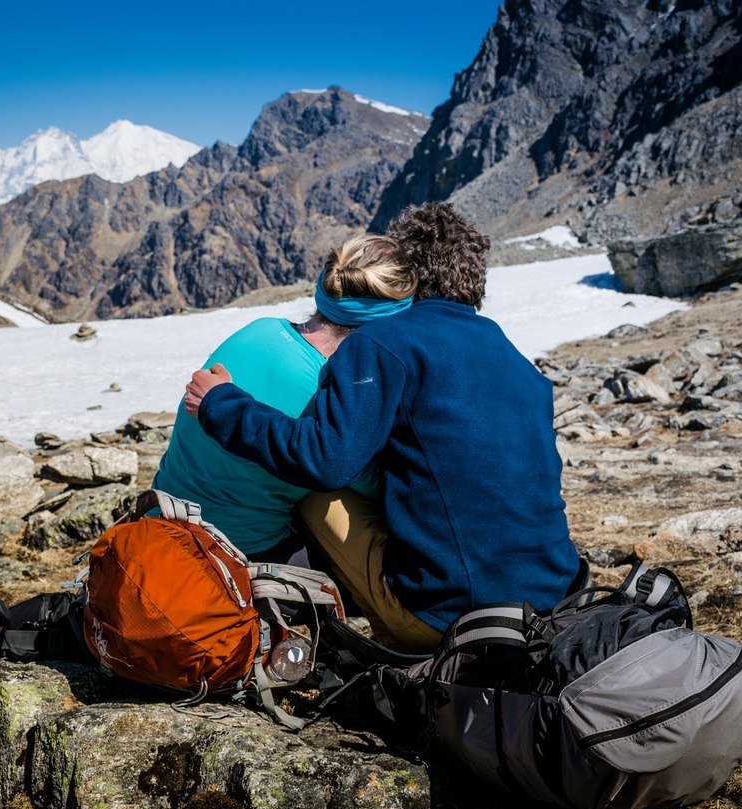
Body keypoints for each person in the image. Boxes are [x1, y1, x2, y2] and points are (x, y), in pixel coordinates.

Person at [184, 203, 582, 652]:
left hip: (446, 620)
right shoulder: (516, 360)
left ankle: (337, 616)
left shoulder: (383, 343)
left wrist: (223, 405)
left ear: (404, 276)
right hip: (552, 600)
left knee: (319, 491)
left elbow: (327, 461)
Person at [153, 234, 417, 563]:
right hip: (238, 554)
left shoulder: (260, 328)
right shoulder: (332, 391)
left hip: (159, 519)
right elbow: (371, 485)